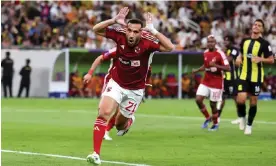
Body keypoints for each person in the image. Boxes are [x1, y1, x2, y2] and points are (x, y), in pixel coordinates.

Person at [85, 7, 174, 165]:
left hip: (136, 90)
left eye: (136, 32)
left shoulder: (148, 43)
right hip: (117, 83)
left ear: (141, 33)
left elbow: (170, 47)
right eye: (130, 31)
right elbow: (96, 29)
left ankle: (128, 121)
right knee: (103, 112)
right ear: (126, 30)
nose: (132, 35)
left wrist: (153, 30)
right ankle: (95, 154)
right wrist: (113, 20)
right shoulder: (119, 35)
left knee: (120, 124)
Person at [235, 19, 274, 135]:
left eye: (259, 25)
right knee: (241, 99)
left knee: (253, 101)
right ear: (252, 27)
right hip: (243, 74)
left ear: (262, 29)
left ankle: (249, 125)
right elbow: (241, 53)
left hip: (256, 76)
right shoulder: (244, 41)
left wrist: (260, 59)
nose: (256, 26)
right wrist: (238, 58)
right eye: (255, 24)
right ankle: (242, 117)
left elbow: (271, 59)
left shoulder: (265, 44)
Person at [192, 35, 230, 131]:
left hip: (217, 82)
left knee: (213, 105)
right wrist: (196, 70)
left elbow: (228, 68)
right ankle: (208, 117)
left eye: (212, 42)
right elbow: (206, 65)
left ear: (215, 43)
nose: (210, 43)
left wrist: (216, 65)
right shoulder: (205, 53)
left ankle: (215, 124)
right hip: (206, 81)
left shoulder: (220, 54)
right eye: (209, 41)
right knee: (198, 99)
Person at [216, 35, 240, 123]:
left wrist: (221, 54)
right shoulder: (224, 51)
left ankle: (240, 117)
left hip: (233, 78)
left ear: (231, 41)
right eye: (224, 40)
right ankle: (217, 117)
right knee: (222, 98)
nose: (225, 42)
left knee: (235, 98)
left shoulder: (234, 50)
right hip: (225, 78)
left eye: (227, 40)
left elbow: (228, 59)